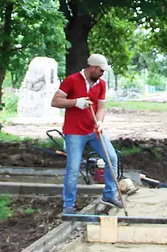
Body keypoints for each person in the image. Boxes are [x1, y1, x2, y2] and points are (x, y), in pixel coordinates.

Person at [51, 54, 122, 214]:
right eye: (101, 70)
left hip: (93, 131)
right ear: (94, 68)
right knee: (73, 168)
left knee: (111, 158)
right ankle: (68, 205)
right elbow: (55, 101)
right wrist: (76, 102)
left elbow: (101, 108)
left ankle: (109, 195)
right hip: (74, 133)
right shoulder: (72, 80)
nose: (103, 74)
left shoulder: (101, 84)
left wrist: (99, 123)